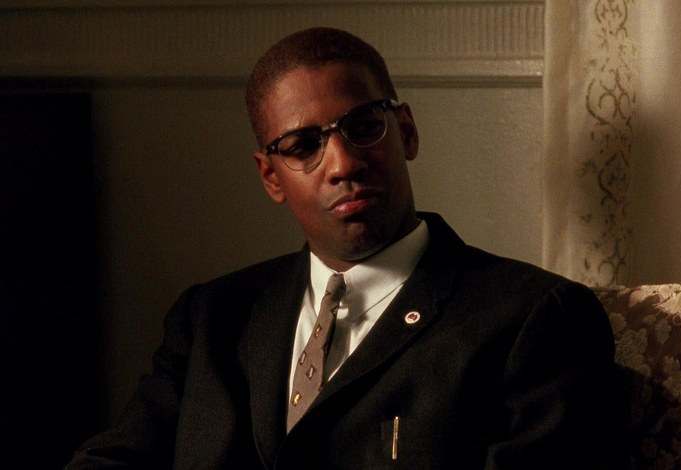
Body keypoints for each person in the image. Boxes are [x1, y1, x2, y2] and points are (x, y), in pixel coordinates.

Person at [67, 27, 625, 469]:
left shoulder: (535, 318)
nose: (343, 164)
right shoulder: (210, 317)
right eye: (303, 146)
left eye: (363, 126)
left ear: (406, 131)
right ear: (271, 177)